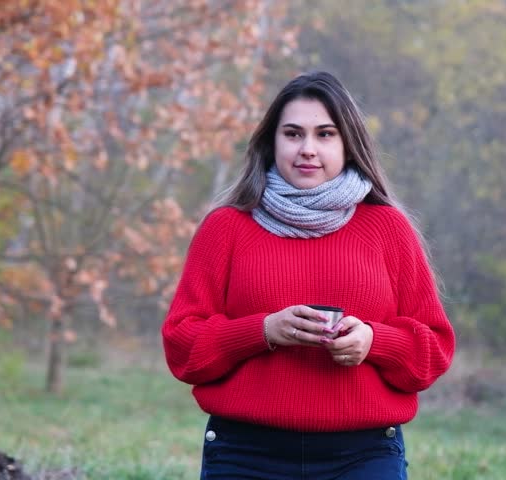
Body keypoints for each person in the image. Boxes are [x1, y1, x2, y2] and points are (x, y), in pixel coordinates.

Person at [162, 71, 455, 479]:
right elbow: (182, 347)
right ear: (272, 142)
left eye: (325, 134)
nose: (308, 149)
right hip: (244, 454)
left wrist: (374, 341)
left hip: (364, 455)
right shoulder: (226, 227)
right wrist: (263, 330)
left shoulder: (388, 228)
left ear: (348, 144)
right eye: (294, 134)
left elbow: (434, 352)